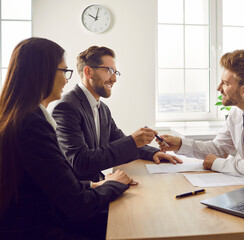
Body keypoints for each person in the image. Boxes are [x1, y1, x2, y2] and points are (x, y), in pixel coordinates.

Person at [0, 37, 135, 239]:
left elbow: (52, 182)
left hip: (33, 222)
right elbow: (78, 205)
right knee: (130, 224)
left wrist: (93, 185)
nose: (66, 79)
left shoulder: (18, 117)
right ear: (42, 72)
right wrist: (115, 184)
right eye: (64, 71)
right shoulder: (33, 125)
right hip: (37, 230)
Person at [157, 49, 244, 180]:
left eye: (225, 83)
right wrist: (181, 145)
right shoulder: (237, 112)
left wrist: (218, 164)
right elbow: (219, 149)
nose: (219, 88)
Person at [52, 46, 182, 182]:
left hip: (97, 184)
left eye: (115, 72)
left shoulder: (103, 109)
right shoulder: (67, 107)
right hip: (79, 193)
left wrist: (154, 152)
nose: (114, 79)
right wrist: (132, 141)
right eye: (108, 71)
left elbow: (118, 140)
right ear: (88, 71)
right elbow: (81, 162)